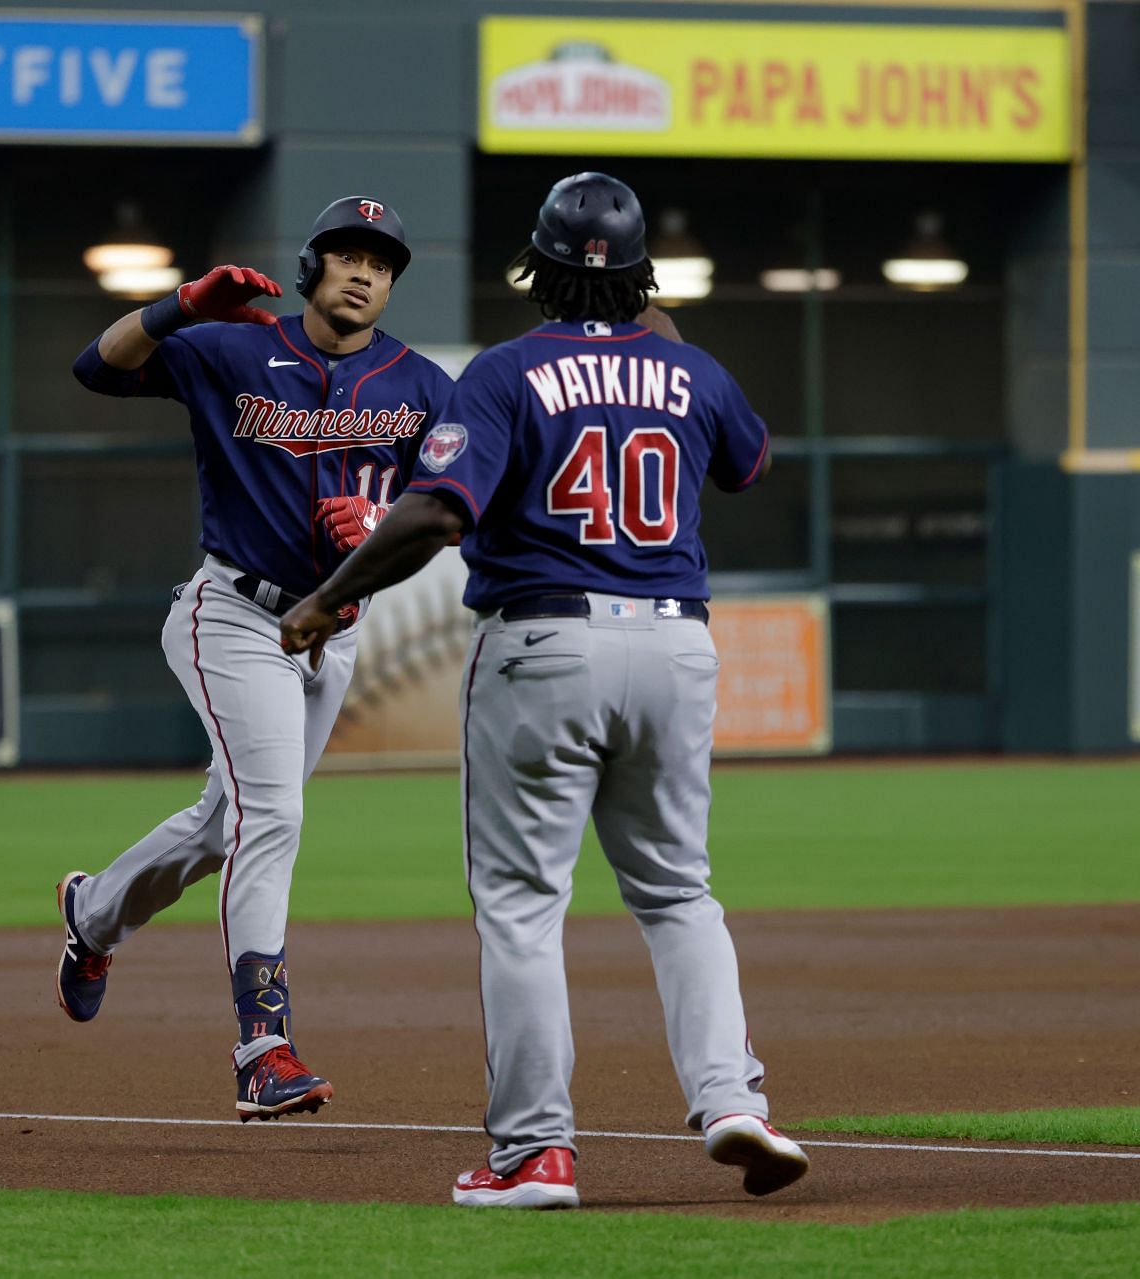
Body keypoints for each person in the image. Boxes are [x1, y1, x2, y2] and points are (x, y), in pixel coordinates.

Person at [278, 173, 808, 1205]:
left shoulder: (509, 371)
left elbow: (436, 514)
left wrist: (323, 597)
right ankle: (732, 1097)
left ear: (539, 269)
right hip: (674, 646)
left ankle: (535, 1152)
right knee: (678, 890)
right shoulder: (689, 369)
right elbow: (752, 461)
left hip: (546, 642)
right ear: (643, 270)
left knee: (523, 908)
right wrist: (672, 346)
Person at [59, 197, 454, 1122]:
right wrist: (177, 306)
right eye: (349, 255)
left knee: (219, 825)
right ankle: (263, 1047)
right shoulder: (233, 349)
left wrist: (394, 527)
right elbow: (95, 368)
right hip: (234, 614)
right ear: (314, 266)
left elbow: (460, 502)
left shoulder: (424, 385)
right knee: (272, 812)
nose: (365, 273)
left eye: (383, 263)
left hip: (335, 634)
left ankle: (92, 913)